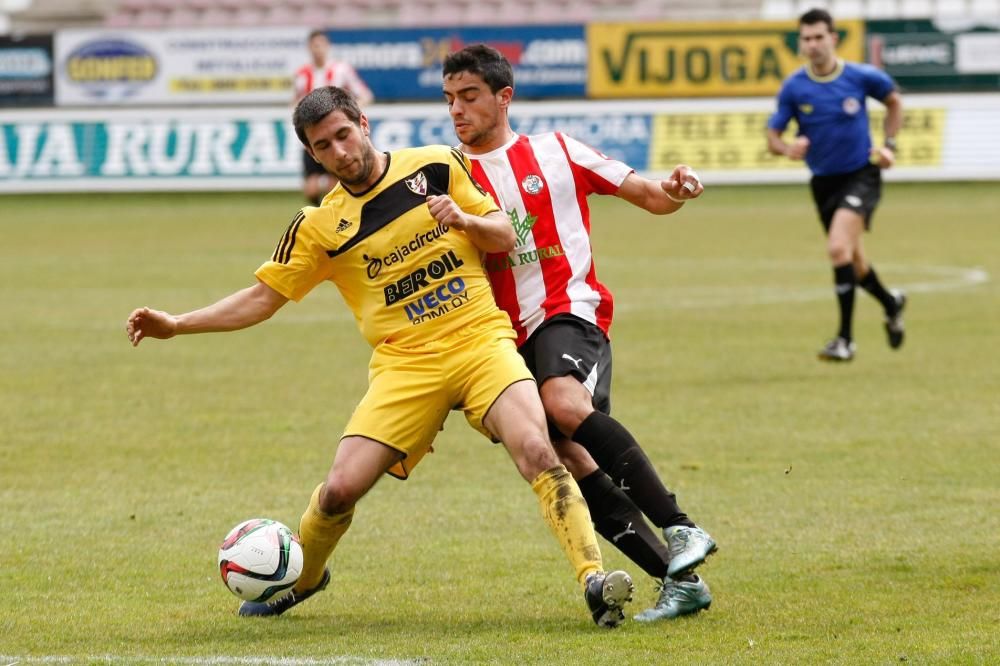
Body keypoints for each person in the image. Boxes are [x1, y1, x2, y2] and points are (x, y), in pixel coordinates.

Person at [125, 86, 635, 628]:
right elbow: (260, 299)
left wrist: (462, 220)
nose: (340, 151)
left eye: (344, 134)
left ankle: (594, 581)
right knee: (339, 489)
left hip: (481, 343)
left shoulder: (436, 167)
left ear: (363, 124)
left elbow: (505, 235)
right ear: (313, 155)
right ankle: (304, 578)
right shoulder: (319, 226)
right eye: (323, 147)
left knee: (536, 449)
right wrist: (177, 324)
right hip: (406, 367)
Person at [442, 45, 716, 622]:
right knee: (563, 452)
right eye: (450, 100)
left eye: (469, 97)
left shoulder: (557, 151)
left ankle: (681, 526)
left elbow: (647, 194)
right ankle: (675, 577)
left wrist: (677, 189)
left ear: (503, 97)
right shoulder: (448, 174)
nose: (457, 111)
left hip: (568, 309)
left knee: (561, 402)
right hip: (501, 339)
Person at [766, 8, 907, 362]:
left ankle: (845, 340)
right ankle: (891, 304)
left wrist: (889, 147)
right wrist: (788, 149)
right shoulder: (795, 87)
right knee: (853, 261)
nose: (812, 44)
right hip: (823, 183)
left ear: (834, 38)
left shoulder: (860, 76)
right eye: (806, 39)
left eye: (818, 37)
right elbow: (773, 136)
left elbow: (893, 101)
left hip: (861, 174)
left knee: (837, 248)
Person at [294, 30, 374, 206]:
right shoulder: (302, 74)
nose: (318, 49)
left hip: (337, 131)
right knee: (311, 188)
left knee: (337, 181)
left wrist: (349, 113)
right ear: (309, 48)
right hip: (316, 136)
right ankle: (325, 213)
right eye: (314, 45)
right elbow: (296, 101)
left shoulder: (341, 70)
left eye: (321, 45)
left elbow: (365, 95)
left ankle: (343, 211)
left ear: (327, 47)